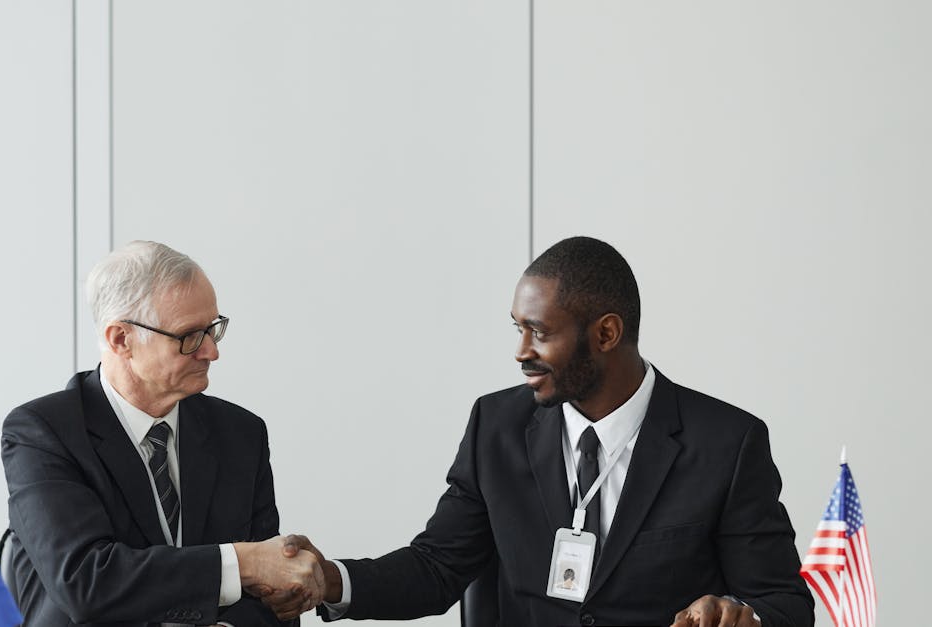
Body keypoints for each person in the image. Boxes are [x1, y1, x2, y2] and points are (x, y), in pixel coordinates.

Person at [271, 236, 814, 626]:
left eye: (539, 332)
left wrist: (742, 617)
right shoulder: (496, 427)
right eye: (517, 328)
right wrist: (331, 581)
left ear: (605, 333)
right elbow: (437, 567)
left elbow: (785, 605)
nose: (521, 352)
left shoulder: (727, 443)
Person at [2, 241, 323, 627]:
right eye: (189, 336)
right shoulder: (44, 432)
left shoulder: (241, 434)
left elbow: (272, 596)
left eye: (212, 330)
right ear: (121, 339)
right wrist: (242, 562)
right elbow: (88, 583)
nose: (211, 352)